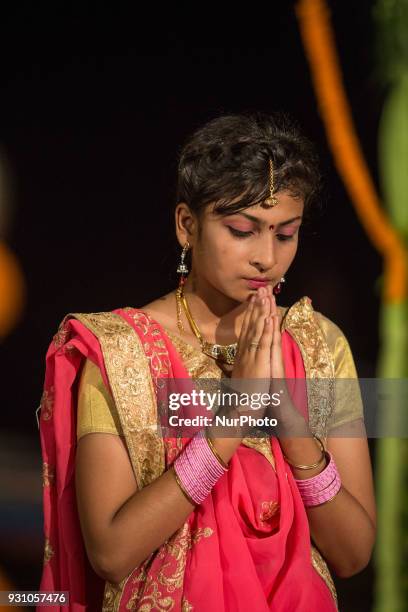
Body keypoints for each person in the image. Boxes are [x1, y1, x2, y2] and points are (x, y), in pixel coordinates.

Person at [37, 113, 376, 611]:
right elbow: (110, 553)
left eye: (285, 234)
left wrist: (285, 414)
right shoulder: (121, 353)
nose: (266, 257)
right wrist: (232, 421)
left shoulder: (320, 346)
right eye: (243, 230)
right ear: (186, 226)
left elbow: (354, 554)